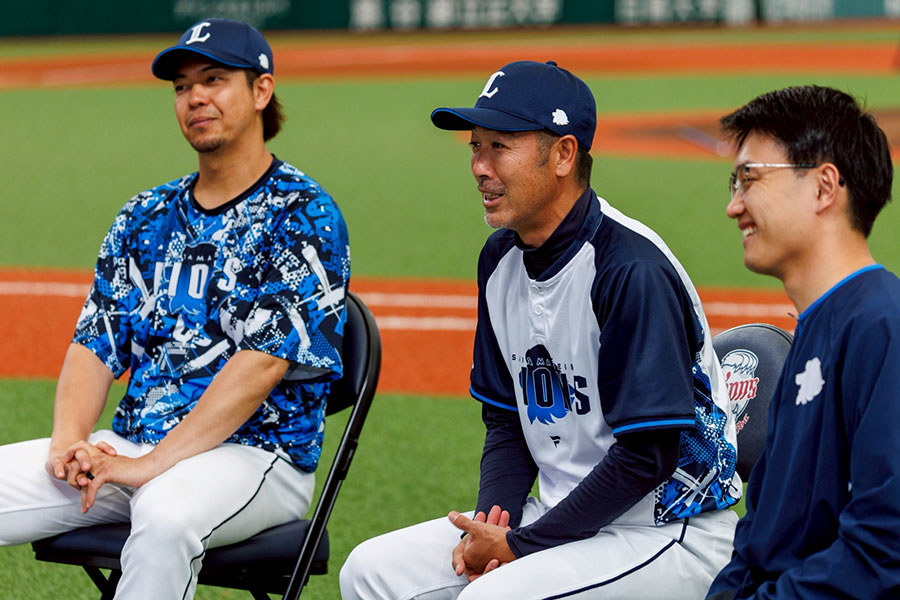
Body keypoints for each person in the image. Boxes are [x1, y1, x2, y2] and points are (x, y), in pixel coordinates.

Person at [340, 60, 740, 600]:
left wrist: (521, 548)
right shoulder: (500, 258)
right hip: (558, 519)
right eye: (474, 146)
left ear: (563, 155)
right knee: (369, 570)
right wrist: (492, 527)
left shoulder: (629, 270)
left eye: (499, 146)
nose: (480, 166)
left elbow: (648, 454)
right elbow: (507, 416)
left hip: (664, 529)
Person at [0, 18, 349, 599]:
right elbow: (97, 339)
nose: (195, 98)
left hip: (257, 457)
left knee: (163, 513)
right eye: (182, 87)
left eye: (214, 79)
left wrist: (151, 465)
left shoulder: (302, 213)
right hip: (136, 448)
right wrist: (68, 443)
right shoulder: (145, 214)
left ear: (261, 91)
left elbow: (262, 365)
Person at [707, 86, 900, 599]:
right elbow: (760, 535)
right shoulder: (814, 327)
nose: (734, 206)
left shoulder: (884, 326)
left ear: (824, 187)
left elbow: (885, 549)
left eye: (750, 178)